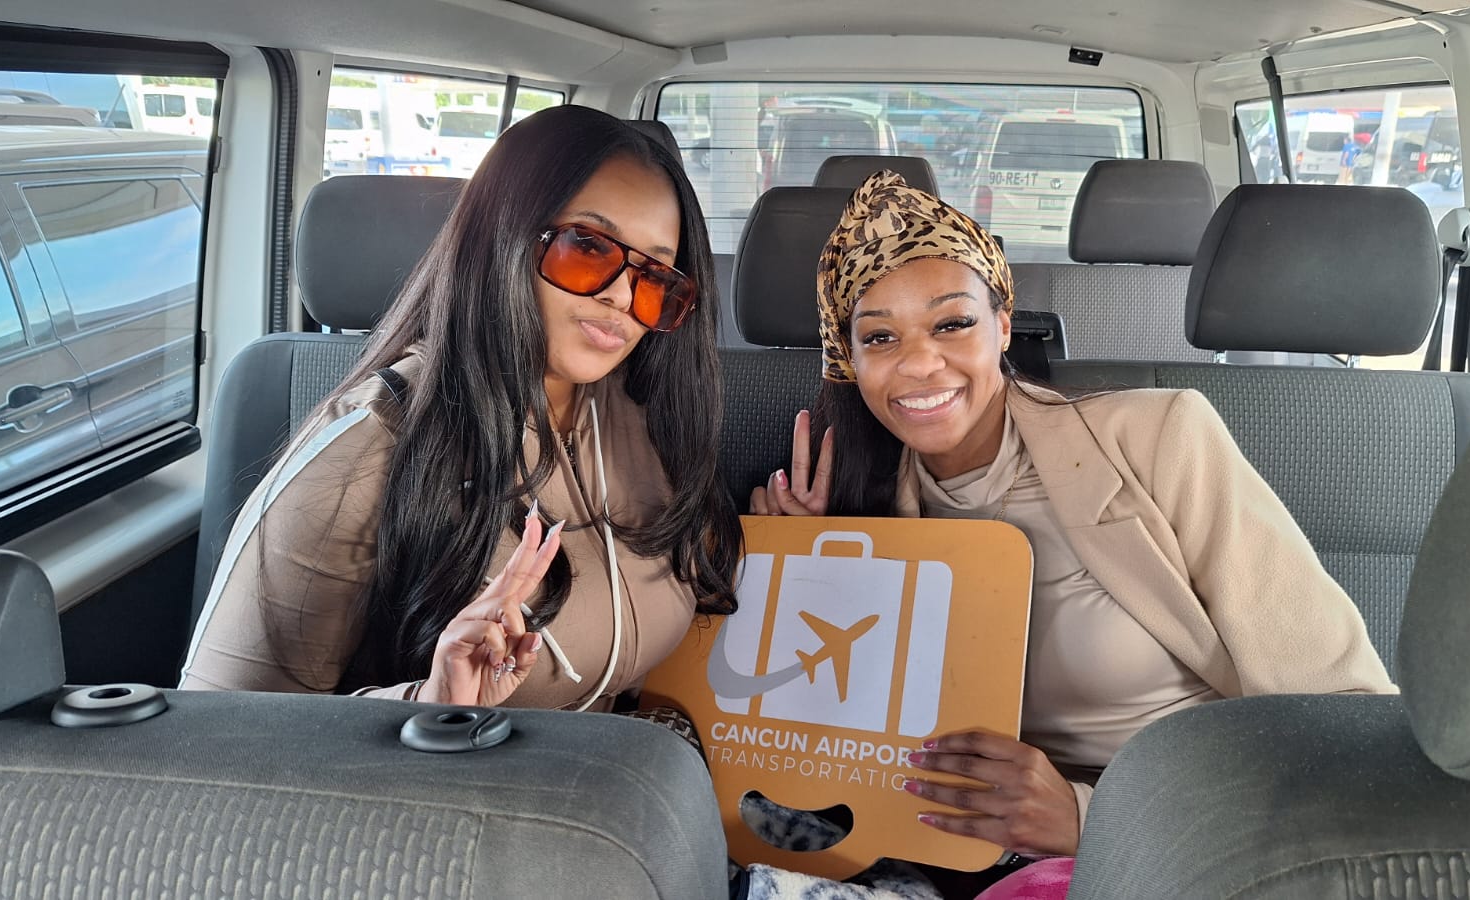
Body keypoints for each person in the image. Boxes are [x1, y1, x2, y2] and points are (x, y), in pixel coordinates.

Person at [749, 170, 1393, 896]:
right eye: (879, 337)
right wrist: (801, 579)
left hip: (1192, 839)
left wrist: (1090, 818)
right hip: (947, 851)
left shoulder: (1162, 438)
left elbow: (1344, 715)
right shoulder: (857, 502)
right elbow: (831, 745)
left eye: (952, 324)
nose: (920, 363)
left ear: (1002, 325)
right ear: (850, 361)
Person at [182, 105, 742, 711]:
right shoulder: (367, 450)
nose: (622, 295)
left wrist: (794, 530)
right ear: (504, 235)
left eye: (655, 275)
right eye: (587, 246)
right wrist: (428, 704)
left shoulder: (644, 417)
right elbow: (223, 733)